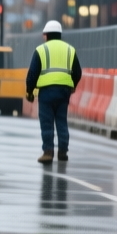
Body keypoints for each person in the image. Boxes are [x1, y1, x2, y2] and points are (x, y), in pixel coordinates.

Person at [25, 19, 82, 164]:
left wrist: (29, 91)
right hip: (64, 92)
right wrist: (72, 85)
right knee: (61, 120)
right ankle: (63, 151)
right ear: (60, 34)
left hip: (46, 92)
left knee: (47, 122)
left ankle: (48, 152)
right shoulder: (70, 49)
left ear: (46, 35)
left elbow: (32, 73)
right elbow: (77, 72)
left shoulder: (40, 50)